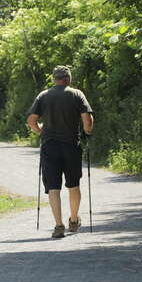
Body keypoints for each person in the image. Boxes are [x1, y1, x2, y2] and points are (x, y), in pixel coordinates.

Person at [27, 65, 94, 238]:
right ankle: (73, 220)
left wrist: (42, 130)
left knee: (53, 187)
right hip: (71, 145)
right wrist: (88, 132)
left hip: (50, 147)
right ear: (68, 78)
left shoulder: (44, 95)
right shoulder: (76, 94)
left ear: (54, 79)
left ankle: (58, 226)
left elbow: (31, 121)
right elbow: (87, 118)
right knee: (73, 184)